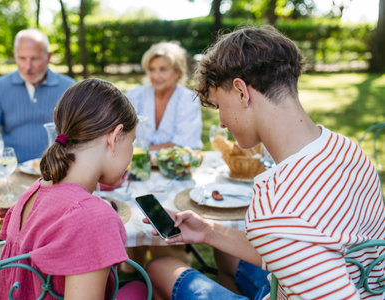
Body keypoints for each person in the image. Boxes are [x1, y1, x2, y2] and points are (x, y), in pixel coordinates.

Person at [144, 25, 385, 299]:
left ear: (241, 92)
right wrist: (208, 232)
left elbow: (289, 234)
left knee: (158, 265)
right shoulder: (346, 149)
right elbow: (305, 246)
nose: (222, 122)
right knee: (225, 256)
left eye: (220, 106)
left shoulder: (276, 210)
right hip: (359, 285)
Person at [0, 78, 147, 299]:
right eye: (132, 141)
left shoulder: (33, 191)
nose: (131, 154)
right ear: (115, 138)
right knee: (144, 285)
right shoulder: (94, 217)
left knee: (139, 286)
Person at [0, 29, 75, 174]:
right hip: (15, 171)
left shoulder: (69, 87)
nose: (28, 67)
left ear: (48, 57)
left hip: (61, 171)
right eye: (22, 58)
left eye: (35, 59)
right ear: (14, 55)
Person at [126, 41, 203, 151]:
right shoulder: (135, 96)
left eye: (163, 69)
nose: (156, 76)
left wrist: (142, 151)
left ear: (177, 72)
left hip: (175, 166)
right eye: (152, 69)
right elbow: (122, 136)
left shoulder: (188, 99)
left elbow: (184, 144)